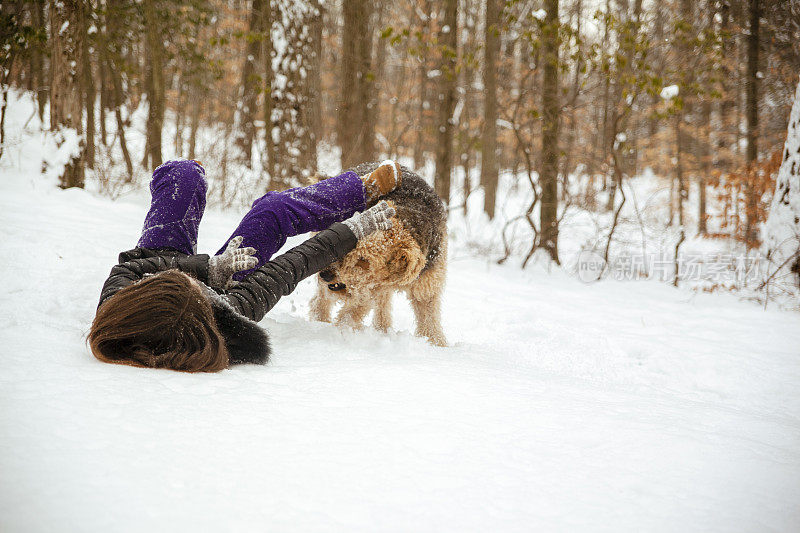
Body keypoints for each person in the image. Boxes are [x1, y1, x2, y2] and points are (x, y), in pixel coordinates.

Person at [88, 159, 400, 372]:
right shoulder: (228, 316)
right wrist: (351, 232)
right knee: (271, 210)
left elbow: (128, 269)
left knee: (182, 173)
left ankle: (186, 174)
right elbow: (287, 269)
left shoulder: (118, 304)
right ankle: (359, 192)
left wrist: (207, 269)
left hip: (161, 261)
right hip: (217, 288)